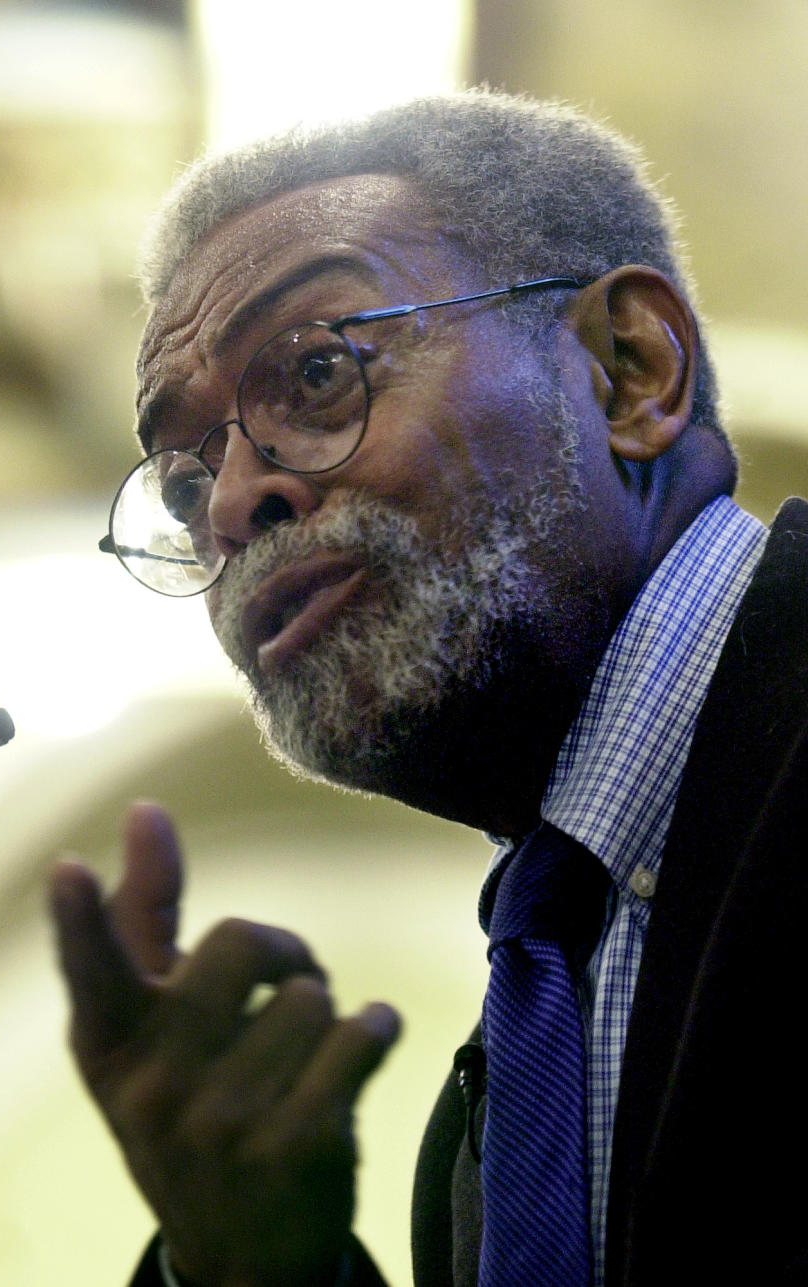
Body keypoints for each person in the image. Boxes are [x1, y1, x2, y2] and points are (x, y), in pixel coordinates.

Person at [49, 88, 808, 1287]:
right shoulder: (490, 1122)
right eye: (185, 489)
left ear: (629, 371)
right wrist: (257, 1267)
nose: (236, 503)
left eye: (314, 371)